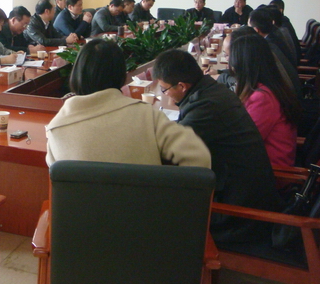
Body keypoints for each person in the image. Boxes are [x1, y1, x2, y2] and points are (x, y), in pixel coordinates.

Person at [153, 49, 280, 243]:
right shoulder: (212, 91)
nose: (166, 94)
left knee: (159, 208)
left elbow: (168, 151)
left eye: (165, 89)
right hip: (244, 192)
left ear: (182, 86)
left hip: (238, 213)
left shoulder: (206, 107)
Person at [46, 39, 211, 168]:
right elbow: (198, 155)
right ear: (121, 75)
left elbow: (59, 179)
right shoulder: (147, 116)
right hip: (144, 202)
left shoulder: (56, 128)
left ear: (76, 74)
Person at [229, 34, 300, 166]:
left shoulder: (263, 98)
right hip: (260, 164)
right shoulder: (268, 86)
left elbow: (241, 142)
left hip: (270, 171)